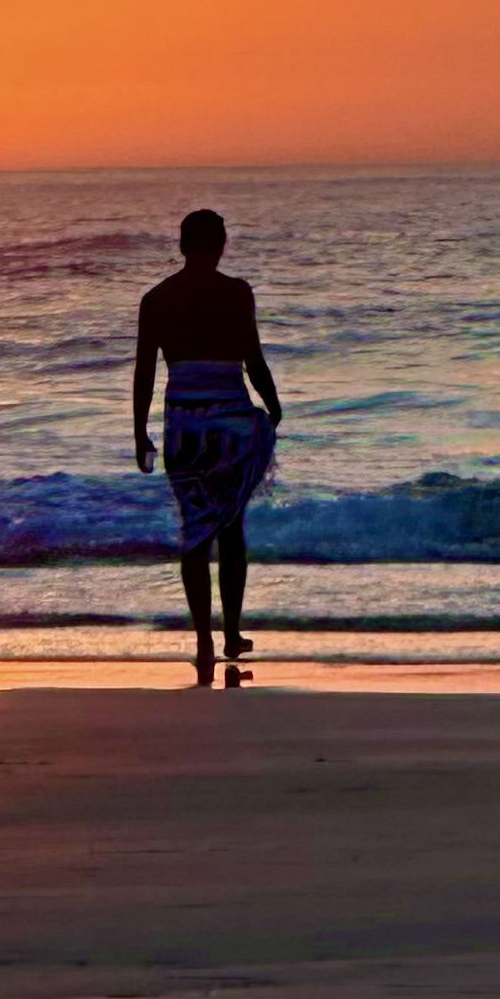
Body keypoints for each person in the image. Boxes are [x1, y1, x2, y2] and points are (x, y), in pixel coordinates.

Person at [132, 207, 283, 678]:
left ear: (181, 246)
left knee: (194, 533)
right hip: (231, 423)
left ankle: (202, 639)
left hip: (183, 426)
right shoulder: (236, 293)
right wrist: (274, 408)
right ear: (221, 245)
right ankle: (232, 633)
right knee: (231, 528)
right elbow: (252, 359)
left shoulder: (156, 299)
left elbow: (145, 373)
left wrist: (140, 432)